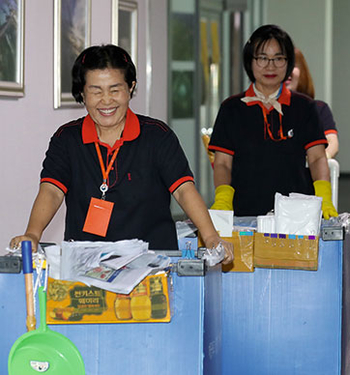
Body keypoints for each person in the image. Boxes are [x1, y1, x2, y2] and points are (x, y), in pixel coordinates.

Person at [9, 44, 233, 263]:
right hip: (87, 265)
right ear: (82, 93)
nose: (106, 100)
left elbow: (183, 190)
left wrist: (210, 236)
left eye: (115, 90)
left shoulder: (157, 135)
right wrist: (33, 234)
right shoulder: (66, 139)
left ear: (131, 88)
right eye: (95, 91)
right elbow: (52, 191)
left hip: (152, 263)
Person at [208, 24, 338, 219]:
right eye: (262, 58)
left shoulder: (305, 107)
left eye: (278, 58)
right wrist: (223, 198)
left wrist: (324, 198)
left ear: (288, 63)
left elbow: (317, 158)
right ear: (250, 61)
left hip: (297, 215)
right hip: (243, 213)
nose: (271, 66)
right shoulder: (231, 108)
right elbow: (223, 163)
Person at [285, 48, 339, 159]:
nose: (286, 70)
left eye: (292, 64)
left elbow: (332, 143)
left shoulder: (318, 109)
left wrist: (320, 159)